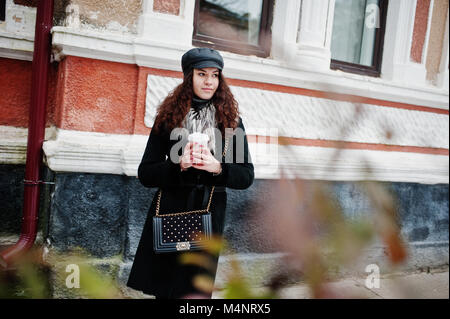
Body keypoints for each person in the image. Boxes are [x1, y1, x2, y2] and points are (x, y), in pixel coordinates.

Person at [126, 47, 254, 299]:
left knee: (195, 291)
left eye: (215, 75)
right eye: (201, 74)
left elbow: (246, 176)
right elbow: (146, 173)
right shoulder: (168, 118)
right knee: (166, 286)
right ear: (188, 77)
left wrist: (217, 167)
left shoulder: (231, 122)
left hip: (209, 211)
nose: (209, 81)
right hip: (171, 208)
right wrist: (178, 165)